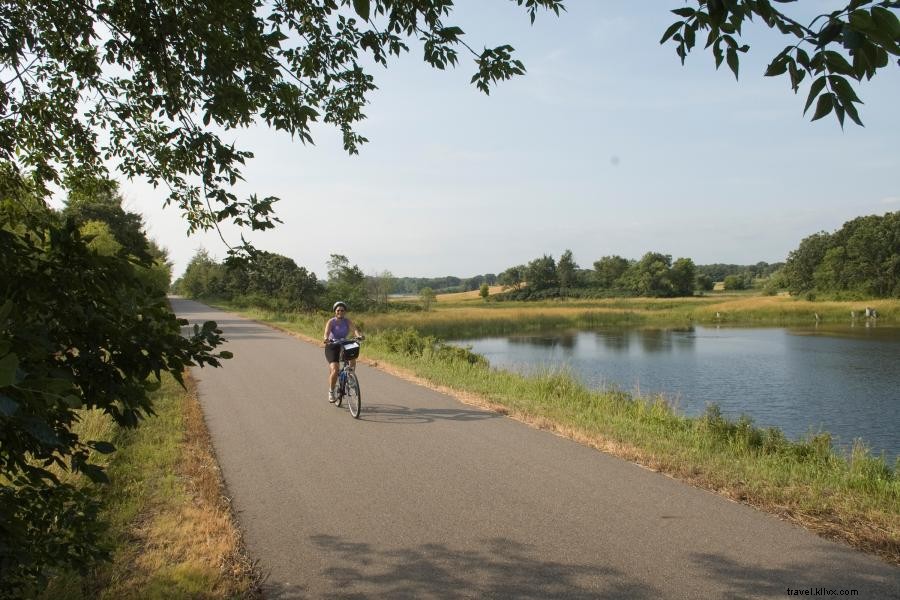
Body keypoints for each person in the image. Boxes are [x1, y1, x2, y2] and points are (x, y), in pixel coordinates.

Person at [323, 301, 362, 402]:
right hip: (332, 345)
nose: (340, 312)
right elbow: (326, 332)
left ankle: (350, 378)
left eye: (342, 310)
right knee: (335, 369)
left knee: (353, 357)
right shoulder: (331, 321)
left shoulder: (347, 321)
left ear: (345, 312)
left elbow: (354, 330)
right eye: (338, 310)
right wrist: (326, 338)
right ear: (335, 312)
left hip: (343, 344)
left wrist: (358, 336)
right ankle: (331, 392)